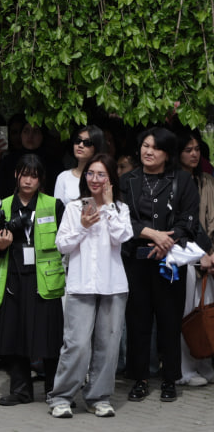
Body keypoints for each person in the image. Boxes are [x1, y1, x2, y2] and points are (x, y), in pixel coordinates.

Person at [118, 127, 200, 402]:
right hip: (136, 261)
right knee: (138, 321)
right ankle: (139, 378)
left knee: (169, 321)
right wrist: (149, 234)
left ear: (167, 154)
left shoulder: (182, 180)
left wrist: (167, 240)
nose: (148, 151)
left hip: (171, 262)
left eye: (155, 148)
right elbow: (121, 219)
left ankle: (170, 380)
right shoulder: (127, 180)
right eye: (144, 146)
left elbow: (189, 220)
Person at [48, 154, 132, 417]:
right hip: (81, 284)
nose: (95, 179)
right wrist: (83, 227)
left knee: (109, 343)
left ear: (111, 179)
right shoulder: (75, 208)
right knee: (77, 343)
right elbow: (62, 244)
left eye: (101, 174)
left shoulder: (120, 208)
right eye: (90, 174)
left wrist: (108, 207)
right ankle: (61, 396)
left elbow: (123, 237)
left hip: (113, 284)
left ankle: (98, 396)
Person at [0, 155, 67, 406]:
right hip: (13, 277)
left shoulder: (53, 205)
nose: (28, 180)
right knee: (16, 334)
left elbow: (66, 242)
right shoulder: (3, 206)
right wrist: (1, 245)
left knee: (50, 336)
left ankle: (54, 391)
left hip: (45, 278)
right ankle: (21, 391)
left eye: (34, 176)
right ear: (16, 175)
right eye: (24, 174)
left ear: (40, 179)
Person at [177, 129, 214, 386]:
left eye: (197, 149)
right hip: (184, 256)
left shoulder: (207, 182)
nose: (193, 154)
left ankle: (204, 363)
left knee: (206, 311)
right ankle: (186, 371)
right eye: (188, 150)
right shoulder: (173, 182)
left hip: (209, 257)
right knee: (186, 313)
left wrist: (212, 253)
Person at [54, 125, 105, 204]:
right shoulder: (63, 177)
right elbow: (57, 211)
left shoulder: (103, 178)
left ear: (97, 147)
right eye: (78, 141)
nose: (80, 145)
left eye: (87, 143)